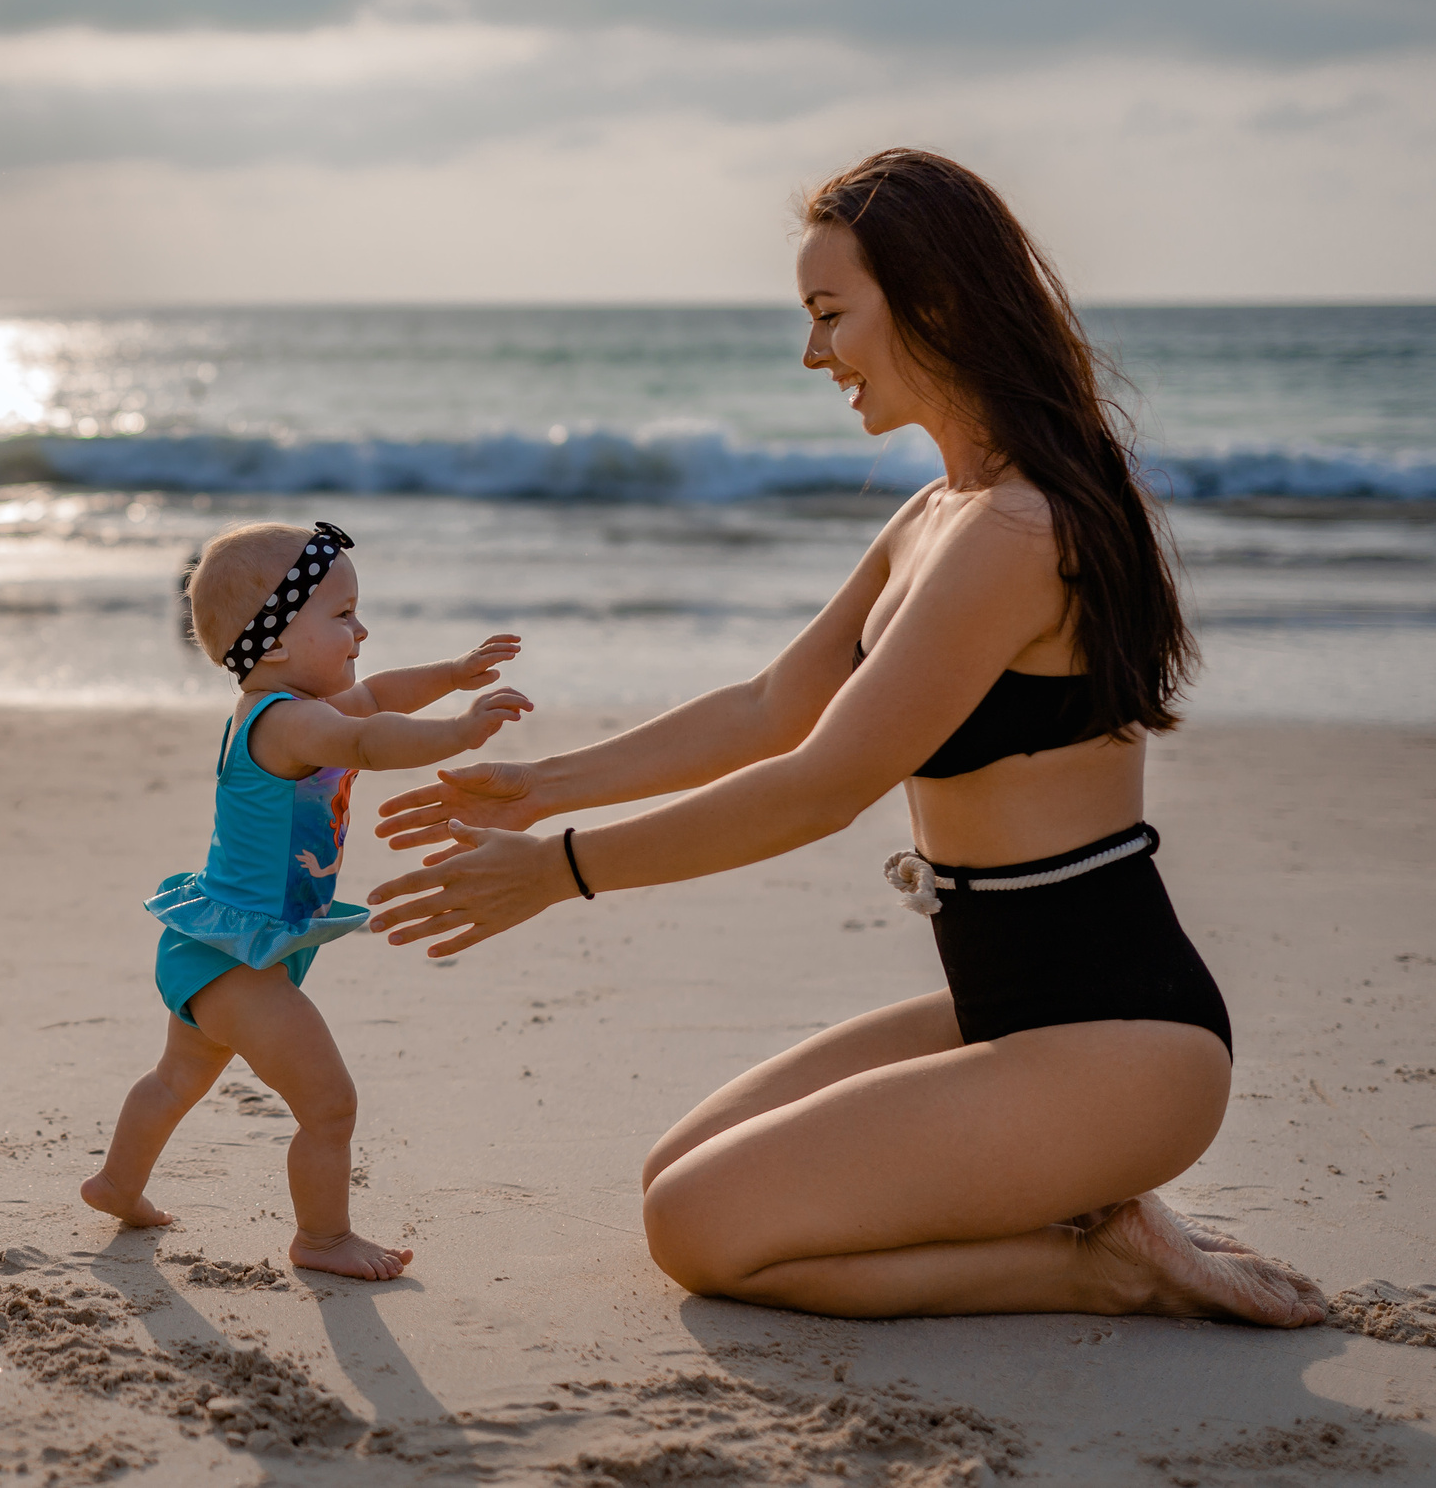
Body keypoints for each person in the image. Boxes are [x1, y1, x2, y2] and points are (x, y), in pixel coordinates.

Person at [366, 150, 1327, 1327]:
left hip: (1119, 1042)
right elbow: (770, 707)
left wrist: (562, 870)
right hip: (1002, 1006)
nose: (813, 354)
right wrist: (539, 787)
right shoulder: (939, 514)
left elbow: (820, 785)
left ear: (937, 304)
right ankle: (1081, 1208)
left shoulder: (1018, 532)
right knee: (678, 1171)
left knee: (701, 1228)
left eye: (830, 315)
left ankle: (1104, 1264)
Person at [79, 521, 529, 1280]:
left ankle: (116, 1183)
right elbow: (370, 739)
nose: (362, 631)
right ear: (280, 640)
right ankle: (322, 1238)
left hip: (217, 944)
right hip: (238, 962)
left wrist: (453, 673)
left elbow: (379, 696)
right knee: (329, 1104)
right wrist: (459, 733)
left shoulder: (286, 707)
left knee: (178, 1078)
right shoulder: (289, 722)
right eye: (343, 614)